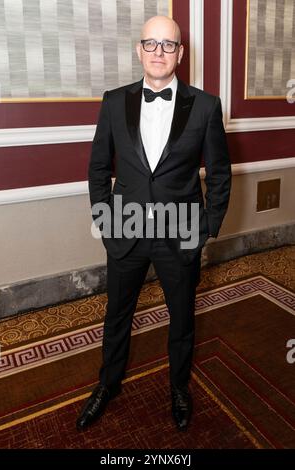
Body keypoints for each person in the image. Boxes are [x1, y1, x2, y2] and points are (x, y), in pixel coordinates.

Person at [76, 15, 231, 432]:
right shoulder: (113, 101)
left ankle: (179, 388)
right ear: (139, 49)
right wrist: (106, 220)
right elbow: (96, 169)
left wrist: (205, 229)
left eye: (168, 45)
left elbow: (218, 174)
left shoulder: (206, 105)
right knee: (116, 316)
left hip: (180, 233)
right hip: (124, 230)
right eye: (151, 44)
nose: (158, 52)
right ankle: (107, 384)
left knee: (181, 319)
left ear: (181, 53)